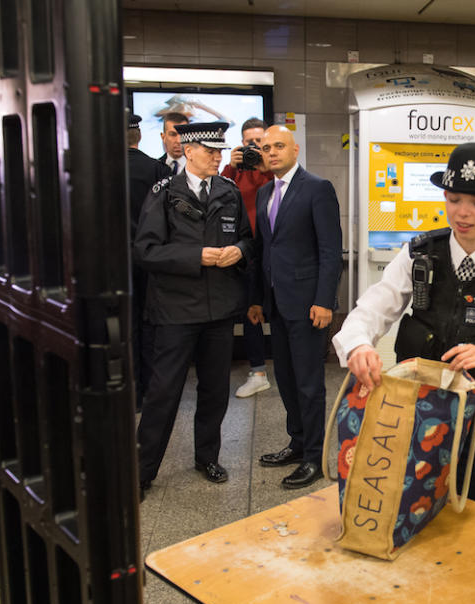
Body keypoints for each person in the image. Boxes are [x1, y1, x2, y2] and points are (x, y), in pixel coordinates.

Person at [333, 142, 475, 514]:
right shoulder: (420, 255)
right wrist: (358, 345)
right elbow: (368, 312)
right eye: (454, 199)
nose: (463, 213)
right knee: (414, 515)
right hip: (417, 419)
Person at [135, 122, 253, 500]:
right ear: (188, 151)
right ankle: (142, 471)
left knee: (215, 390)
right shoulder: (164, 193)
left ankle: (207, 457)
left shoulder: (228, 191)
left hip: (219, 309)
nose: (219, 157)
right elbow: (146, 251)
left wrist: (241, 252)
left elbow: (248, 240)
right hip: (175, 311)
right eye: (211, 151)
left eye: (220, 151)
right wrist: (195, 256)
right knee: (163, 392)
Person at [248, 126, 342, 490]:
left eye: (278, 146)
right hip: (276, 303)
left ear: (295, 148)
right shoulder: (263, 193)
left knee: (308, 383)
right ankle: (297, 443)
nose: (271, 152)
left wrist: (324, 301)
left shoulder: (317, 189)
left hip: (308, 305)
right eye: (266, 147)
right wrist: (257, 298)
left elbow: (330, 251)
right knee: (285, 380)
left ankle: (315, 458)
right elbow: (263, 250)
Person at [221, 118, 273, 398]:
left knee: (273, 308)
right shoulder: (234, 171)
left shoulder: (271, 169)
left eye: (259, 143)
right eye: (248, 143)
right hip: (243, 249)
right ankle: (257, 370)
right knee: (247, 310)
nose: (254, 148)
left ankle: (271, 369)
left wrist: (263, 164)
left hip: (271, 249)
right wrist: (231, 165)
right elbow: (219, 196)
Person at [127, 113, 172, 408]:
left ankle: (127, 390)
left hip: (111, 265)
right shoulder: (155, 169)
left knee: (122, 325)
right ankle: (149, 391)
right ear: (139, 136)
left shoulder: (97, 169)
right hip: (150, 260)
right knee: (149, 325)